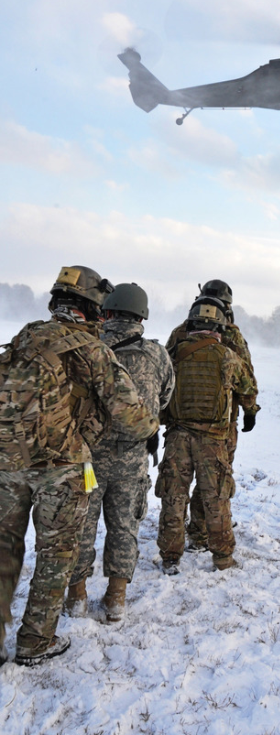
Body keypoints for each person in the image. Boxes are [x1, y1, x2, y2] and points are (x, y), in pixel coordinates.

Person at [0, 266, 157, 667]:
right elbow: (133, 417)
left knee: (3, 548)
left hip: (9, 462)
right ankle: (36, 641)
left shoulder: (25, 337)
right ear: (94, 306)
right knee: (57, 553)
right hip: (63, 468)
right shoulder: (93, 351)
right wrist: (151, 427)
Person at [66, 283, 174, 622]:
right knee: (125, 526)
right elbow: (165, 397)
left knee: (82, 524)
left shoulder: (88, 345)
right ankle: (116, 600)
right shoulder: (157, 355)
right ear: (142, 316)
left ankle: (77, 597)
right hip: (133, 459)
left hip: (88, 459)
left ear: (108, 310)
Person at [157, 296, 259, 574]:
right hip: (212, 440)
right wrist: (250, 412)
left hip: (177, 436)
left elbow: (159, 392)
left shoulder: (171, 355)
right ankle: (222, 558)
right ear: (219, 327)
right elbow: (248, 389)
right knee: (216, 499)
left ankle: (170, 557)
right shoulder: (227, 356)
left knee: (173, 497)